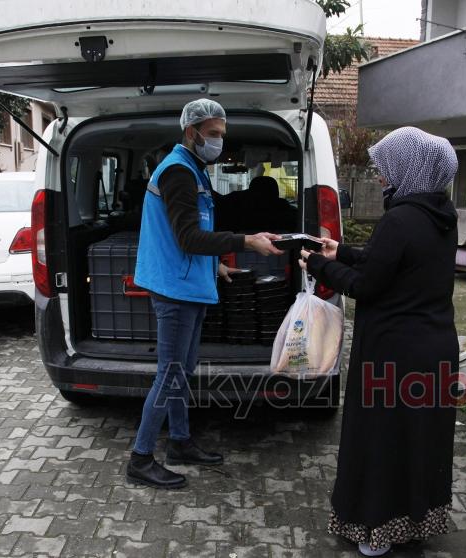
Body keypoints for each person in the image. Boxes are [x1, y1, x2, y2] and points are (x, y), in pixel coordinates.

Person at [300, 127, 460, 556]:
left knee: (382, 440)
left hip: (395, 353)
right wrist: (342, 251)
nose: (381, 178)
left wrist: (319, 264)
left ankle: (377, 530)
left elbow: (369, 285)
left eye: (387, 169)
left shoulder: (400, 219)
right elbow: (392, 263)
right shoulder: (439, 216)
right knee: (418, 441)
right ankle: (413, 523)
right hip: (433, 349)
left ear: (409, 168)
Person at [128, 99, 283, 489]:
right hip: (175, 290)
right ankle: (141, 457)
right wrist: (247, 241)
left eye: (221, 135)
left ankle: (179, 442)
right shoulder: (178, 172)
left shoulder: (193, 169)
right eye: (212, 135)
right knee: (171, 373)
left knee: (182, 371)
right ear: (191, 131)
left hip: (190, 285)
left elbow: (184, 235)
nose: (218, 142)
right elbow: (188, 237)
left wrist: (217, 266)